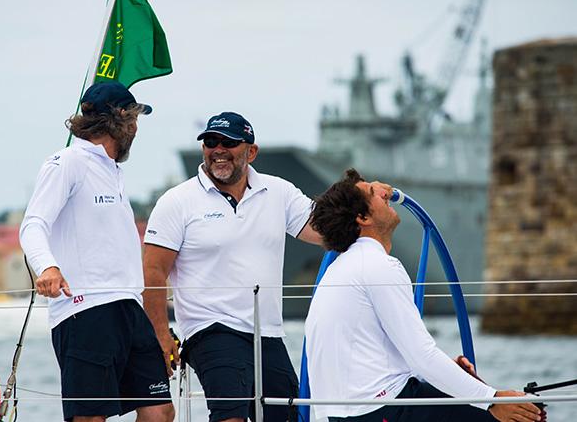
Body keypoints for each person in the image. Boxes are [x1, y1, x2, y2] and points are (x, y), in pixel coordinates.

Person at [304, 169, 543, 422]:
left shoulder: (341, 269)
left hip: (344, 413)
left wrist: (446, 373)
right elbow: (422, 355)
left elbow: (381, 357)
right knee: (517, 417)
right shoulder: (379, 266)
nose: (385, 192)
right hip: (381, 410)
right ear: (362, 217)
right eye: (374, 192)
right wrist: (492, 399)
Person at [142, 111, 323, 422]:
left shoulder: (278, 191)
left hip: (266, 331)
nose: (218, 149)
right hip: (210, 327)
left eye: (228, 142)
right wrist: (160, 333)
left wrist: (362, 203)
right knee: (231, 415)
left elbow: (322, 231)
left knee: (289, 417)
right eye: (211, 142)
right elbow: (153, 270)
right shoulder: (177, 201)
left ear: (251, 151)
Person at [19, 81, 175, 422]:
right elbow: (32, 224)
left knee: (160, 412)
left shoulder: (112, 170)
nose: (136, 128)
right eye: (134, 119)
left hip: (129, 307)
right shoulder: (67, 162)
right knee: (90, 417)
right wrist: (47, 268)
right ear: (121, 120)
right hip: (85, 308)